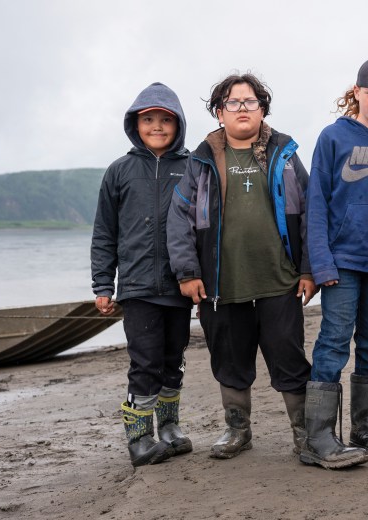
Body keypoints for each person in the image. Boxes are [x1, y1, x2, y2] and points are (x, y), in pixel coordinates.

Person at [167, 72, 315, 460]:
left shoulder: (284, 152)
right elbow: (179, 217)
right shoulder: (201, 160)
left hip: (280, 280)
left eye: (251, 102)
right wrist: (188, 272)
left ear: (262, 109)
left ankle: (303, 433)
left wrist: (308, 269)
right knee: (229, 359)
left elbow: (311, 213)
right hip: (220, 284)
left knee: (289, 356)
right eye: (233, 103)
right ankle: (238, 430)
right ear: (220, 113)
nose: (243, 108)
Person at [300, 57, 368, 470]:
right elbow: (316, 206)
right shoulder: (332, 137)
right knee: (333, 342)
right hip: (341, 262)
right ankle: (318, 438)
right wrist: (321, 264)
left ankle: (365, 428)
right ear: (356, 92)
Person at [91, 82, 193, 467]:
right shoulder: (120, 171)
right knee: (145, 362)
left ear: (178, 124)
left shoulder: (190, 167)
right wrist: (103, 284)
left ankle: (169, 428)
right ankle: (139, 439)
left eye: (165, 120)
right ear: (136, 124)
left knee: (173, 359)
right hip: (136, 288)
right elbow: (104, 233)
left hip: (180, 286)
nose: (157, 126)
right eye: (148, 119)